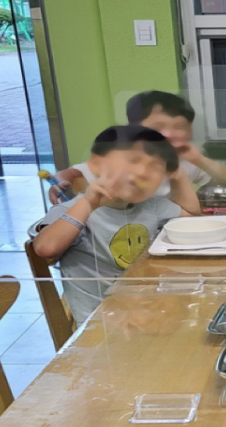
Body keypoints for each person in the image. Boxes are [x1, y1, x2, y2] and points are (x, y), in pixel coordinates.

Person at [34, 125, 201, 322]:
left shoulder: (151, 206)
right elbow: (46, 249)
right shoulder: (73, 211)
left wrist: (178, 175)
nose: (142, 173)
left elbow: (192, 218)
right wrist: (88, 203)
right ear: (97, 165)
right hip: (100, 323)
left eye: (156, 168)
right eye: (133, 161)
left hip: (147, 309)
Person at [50, 91, 226, 203]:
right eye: (158, 127)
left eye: (179, 127)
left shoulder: (183, 159)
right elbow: (74, 174)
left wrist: (199, 159)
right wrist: (61, 181)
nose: (169, 134)